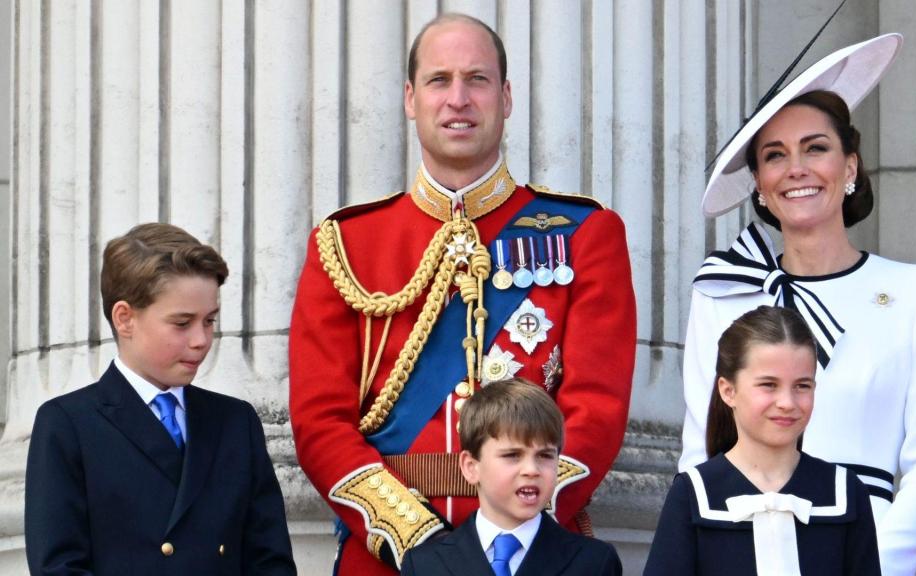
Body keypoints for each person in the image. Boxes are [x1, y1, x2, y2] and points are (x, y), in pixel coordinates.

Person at [288, 13, 636, 575]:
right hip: (390, 558)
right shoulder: (346, 244)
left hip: (536, 552)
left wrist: (513, 528)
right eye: (438, 80)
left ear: (505, 96)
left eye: (476, 80)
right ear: (410, 98)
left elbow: (596, 408)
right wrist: (419, 541)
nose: (458, 99)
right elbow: (319, 422)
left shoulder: (585, 234)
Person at [678, 34, 916, 576]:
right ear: (758, 183)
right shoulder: (722, 292)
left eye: (816, 148)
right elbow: (700, 452)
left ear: (850, 164)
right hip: (742, 547)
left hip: (869, 549)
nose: (797, 168)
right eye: (775, 156)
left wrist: (875, 569)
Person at [24, 223, 297, 575]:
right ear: (125, 319)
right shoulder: (68, 424)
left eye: (209, 321)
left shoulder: (235, 421)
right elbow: (59, 568)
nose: (201, 340)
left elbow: (270, 561)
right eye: (182, 323)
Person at [647, 306, 879, 575]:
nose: (787, 403)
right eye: (769, 385)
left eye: (802, 385)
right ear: (728, 390)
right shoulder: (694, 494)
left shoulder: (846, 493)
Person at [400, 378, 622, 575]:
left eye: (545, 455)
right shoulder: (424, 564)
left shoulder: (594, 563)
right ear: (471, 467)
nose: (532, 470)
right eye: (513, 455)